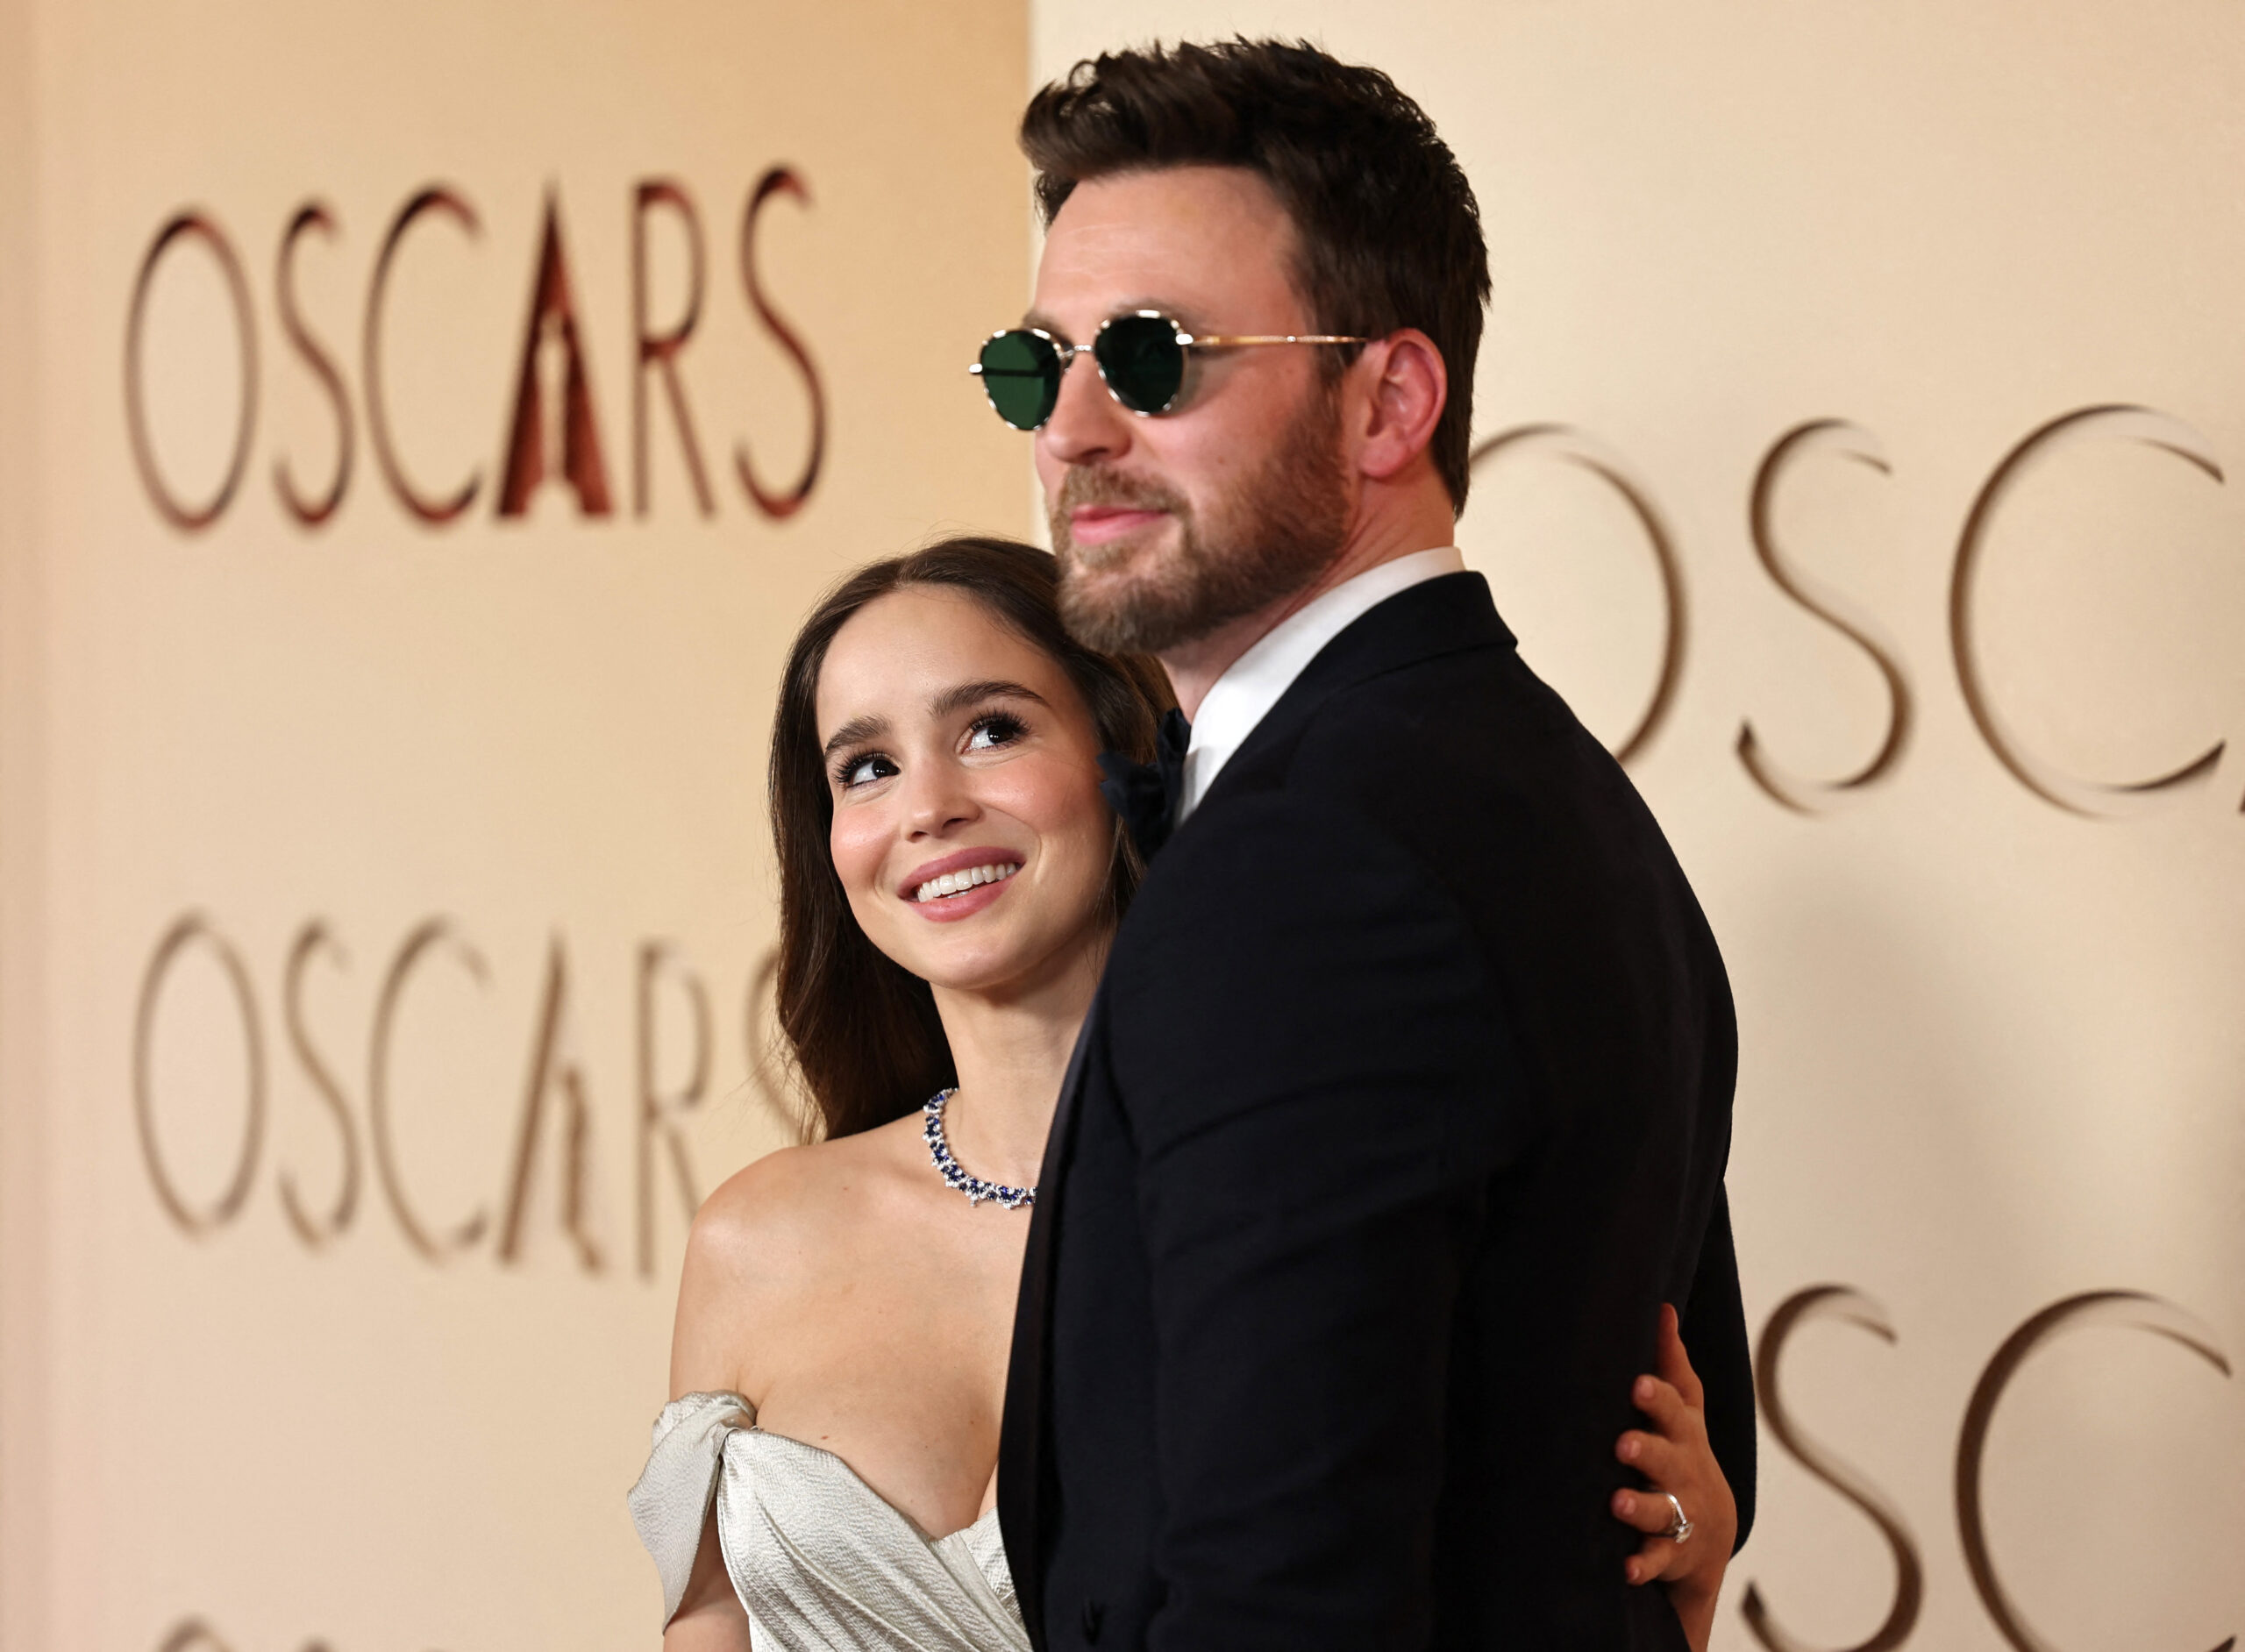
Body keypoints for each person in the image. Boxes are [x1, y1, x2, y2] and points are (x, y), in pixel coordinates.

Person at [987, 39, 1756, 1652]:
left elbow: (1284, 1605)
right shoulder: (1560, 801)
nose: (1068, 433)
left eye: (1150, 356)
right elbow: (1668, 1485)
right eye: (1030, 364)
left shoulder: (1308, 868)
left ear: (1390, 397)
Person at [627, 537, 1739, 1651]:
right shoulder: (753, 1241)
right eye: (864, 767)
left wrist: (1676, 1574)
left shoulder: (1307, 1182)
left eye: (991, 730)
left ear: (1124, 763)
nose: (928, 806)